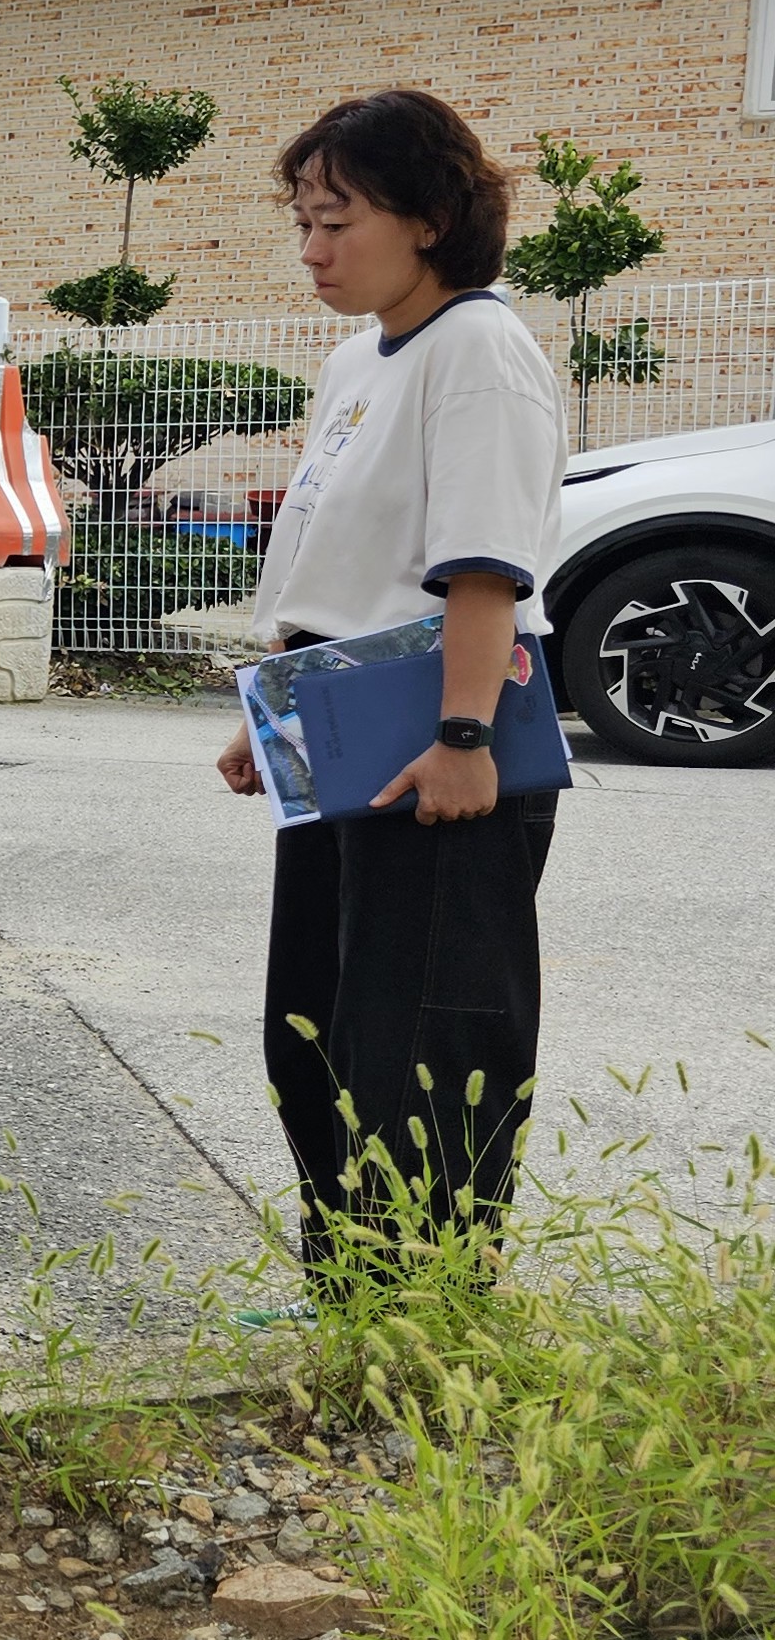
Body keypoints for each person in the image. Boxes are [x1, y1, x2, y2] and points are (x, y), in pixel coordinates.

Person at [225, 90, 567, 1282]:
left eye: (338, 220)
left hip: (440, 751)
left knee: (422, 1042)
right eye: (303, 222)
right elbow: (338, 567)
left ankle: (423, 1314)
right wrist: (272, 721)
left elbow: (480, 569)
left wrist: (464, 736)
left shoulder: (478, 347)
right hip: (340, 737)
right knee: (314, 1032)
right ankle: (347, 1296)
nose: (313, 249)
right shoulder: (357, 358)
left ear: (428, 216)